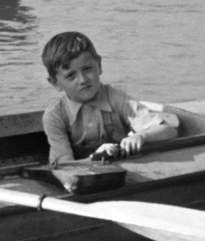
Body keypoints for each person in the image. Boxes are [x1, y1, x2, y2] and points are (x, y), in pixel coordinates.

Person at [40, 31, 179, 165]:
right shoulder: (54, 116)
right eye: (71, 76)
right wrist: (94, 159)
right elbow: (63, 166)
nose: (82, 80)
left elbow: (169, 130)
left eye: (87, 69)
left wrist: (141, 136)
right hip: (82, 181)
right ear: (56, 83)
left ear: (99, 65)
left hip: (124, 171)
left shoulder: (117, 99)